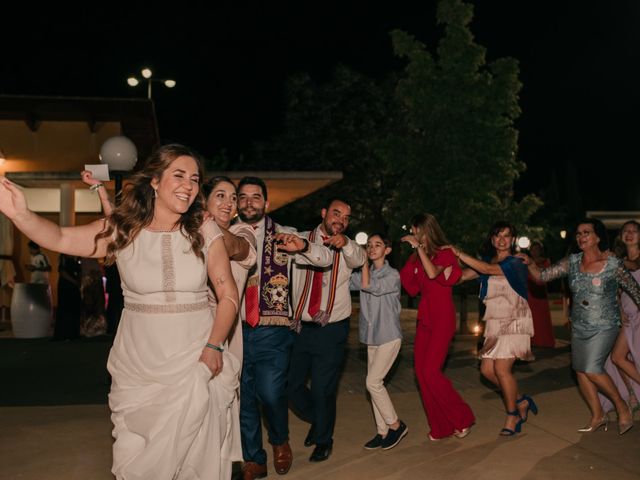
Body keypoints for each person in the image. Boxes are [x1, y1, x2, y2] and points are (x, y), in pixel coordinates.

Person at [0, 144, 241, 478]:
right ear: (155, 181)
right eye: (179, 175)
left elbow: (228, 293)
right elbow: (58, 236)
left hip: (196, 359)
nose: (188, 185)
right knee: (138, 460)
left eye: (195, 179)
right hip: (140, 366)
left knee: (195, 458)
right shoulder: (123, 230)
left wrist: (214, 347)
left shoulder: (204, 230)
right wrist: (21, 216)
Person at [235, 177, 332, 480]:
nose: (249, 202)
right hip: (233, 329)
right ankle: (254, 458)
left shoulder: (286, 234)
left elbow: (324, 257)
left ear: (266, 203)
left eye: (256, 197)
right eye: (243, 197)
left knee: (270, 393)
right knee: (243, 397)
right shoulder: (225, 234)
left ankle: (279, 439)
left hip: (272, 328)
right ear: (238, 202)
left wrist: (303, 246)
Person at [526, 218, 640, 435]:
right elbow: (542, 277)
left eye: (586, 232)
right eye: (578, 233)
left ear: (597, 237)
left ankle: (622, 406)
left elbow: (636, 292)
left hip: (605, 325)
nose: (581, 237)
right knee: (579, 370)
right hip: (579, 325)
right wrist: (530, 264)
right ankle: (598, 415)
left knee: (591, 368)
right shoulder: (572, 262)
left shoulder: (613, 264)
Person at [288, 198, 367, 462]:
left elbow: (360, 257)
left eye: (346, 217)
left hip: (332, 329)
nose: (340, 221)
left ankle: (324, 439)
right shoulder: (300, 239)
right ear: (323, 213)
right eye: (336, 214)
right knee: (291, 387)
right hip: (300, 326)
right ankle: (319, 419)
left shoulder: (348, 247)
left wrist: (346, 244)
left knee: (323, 389)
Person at [452, 221, 537, 436]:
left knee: (501, 369)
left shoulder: (516, 262)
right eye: (497, 236)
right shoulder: (486, 263)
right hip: (495, 322)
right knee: (487, 371)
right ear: (492, 239)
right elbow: (460, 277)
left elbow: (488, 270)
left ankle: (512, 416)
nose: (501, 240)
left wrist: (459, 252)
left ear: (513, 240)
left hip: (515, 319)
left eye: (506, 236)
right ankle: (520, 400)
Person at [400, 213, 475, 441]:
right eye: (413, 232)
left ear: (425, 230)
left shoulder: (445, 252)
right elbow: (410, 286)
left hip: (443, 319)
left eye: (416, 231)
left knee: (431, 372)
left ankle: (462, 418)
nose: (414, 235)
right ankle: (441, 427)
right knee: (421, 375)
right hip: (425, 319)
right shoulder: (416, 258)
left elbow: (433, 273)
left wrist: (419, 251)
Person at [349, 233, 406, 450]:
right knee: (375, 385)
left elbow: (368, 285)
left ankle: (396, 425)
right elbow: (345, 281)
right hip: (371, 337)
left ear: (387, 250)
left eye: (377, 245)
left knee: (372, 382)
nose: (372, 248)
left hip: (389, 336)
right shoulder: (366, 271)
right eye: (369, 245)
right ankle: (382, 432)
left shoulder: (392, 275)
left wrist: (362, 263)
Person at [202, 175, 257, 367]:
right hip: (191, 324)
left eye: (233, 198)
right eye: (220, 195)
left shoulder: (243, 230)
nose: (228, 203)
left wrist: (204, 224)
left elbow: (236, 247)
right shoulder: (188, 231)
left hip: (227, 329)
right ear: (204, 201)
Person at [597, 221, 640, 417]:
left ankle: (632, 395)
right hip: (628, 317)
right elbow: (616, 289)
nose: (630, 234)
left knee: (620, 357)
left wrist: (615, 261)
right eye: (626, 231)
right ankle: (631, 394)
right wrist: (619, 308)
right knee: (616, 357)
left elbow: (634, 266)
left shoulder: (630, 261)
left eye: (634, 231)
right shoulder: (620, 259)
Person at [526, 241, 555, 348]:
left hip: (540, 292)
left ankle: (544, 341)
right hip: (529, 292)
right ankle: (532, 341)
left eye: (537, 249)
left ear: (540, 251)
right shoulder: (526, 261)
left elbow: (548, 275)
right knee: (531, 318)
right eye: (533, 250)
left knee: (542, 318)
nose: (535, 252)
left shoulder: (546, 261)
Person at [53, 253, 82, 340]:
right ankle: (64, 333)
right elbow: (62, 272)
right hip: (66, 285)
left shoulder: (77, 257)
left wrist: (78, 282)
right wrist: (74, 281)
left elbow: (79, 270)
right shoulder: (63, 257)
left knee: (74, 308)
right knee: (65, 307)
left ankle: (73, 333)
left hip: (74, 286)